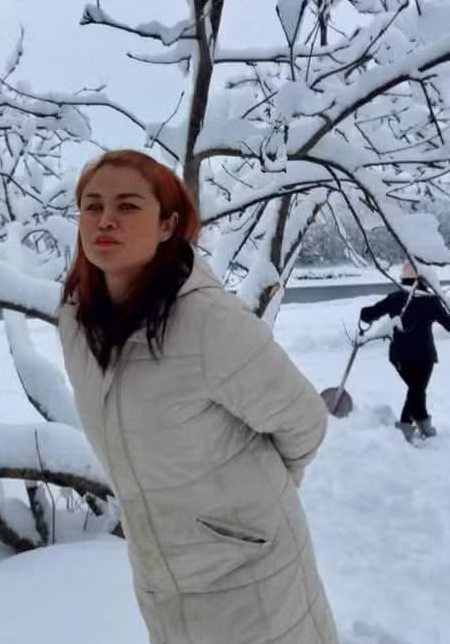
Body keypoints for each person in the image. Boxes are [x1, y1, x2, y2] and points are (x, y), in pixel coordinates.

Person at [58, 150, 338, 644]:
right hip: (160, 575)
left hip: (252, 573)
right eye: (92, 206)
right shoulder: (76, 322)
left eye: (128, 206)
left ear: (167, 225)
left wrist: (251, 506)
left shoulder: (207, 321)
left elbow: (304, 421)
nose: (105, 220)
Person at [359, 261, 450, 442]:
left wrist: (364, 314)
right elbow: (449, 322)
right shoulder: (431, 301)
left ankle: (421, 423)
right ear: (424, 279)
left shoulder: (395, 298)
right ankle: (406, 426)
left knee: (417, 390)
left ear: (403, 279)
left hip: (399, 356)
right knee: (417, 390)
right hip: (424, 357)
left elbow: (370, 313)